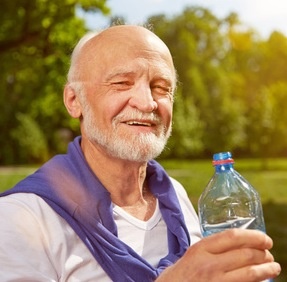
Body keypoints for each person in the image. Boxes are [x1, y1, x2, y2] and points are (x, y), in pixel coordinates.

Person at [0, 25, 280, 281]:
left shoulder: (176, 195)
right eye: (121, 83)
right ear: (74, 101)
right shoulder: (21, 218)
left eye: (161, 88)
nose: (147, 103)